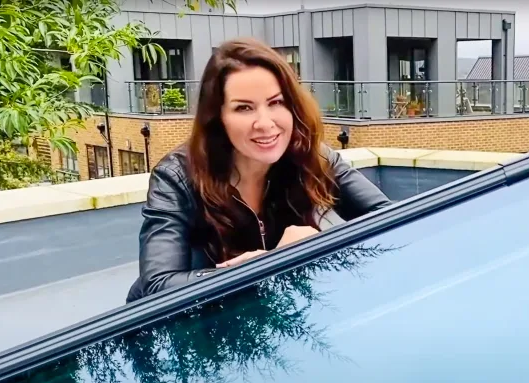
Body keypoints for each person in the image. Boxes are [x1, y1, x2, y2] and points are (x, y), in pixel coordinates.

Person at [126, 38, 391, 303]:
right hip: (190, 324)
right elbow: (157, 284)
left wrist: (320, 243)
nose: (265, 124)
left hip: (268, 314)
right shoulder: (176, 177)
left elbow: (389, 219)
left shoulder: (310, 155)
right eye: (244, 107)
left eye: (276, 102)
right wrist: (262, 267)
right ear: (218, 117)